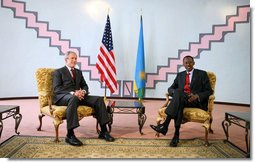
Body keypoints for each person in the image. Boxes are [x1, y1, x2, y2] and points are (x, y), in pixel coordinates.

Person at [53, 51, 114, 146]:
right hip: (63, 97)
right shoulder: (59, 72)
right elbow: (57, 89)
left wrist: (83, 92)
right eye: (72, 58)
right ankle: (70, 135)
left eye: (75, 58)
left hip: (78, 96)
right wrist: (74, 93)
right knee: (73, 98)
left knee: (99, 99)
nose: (74, 60)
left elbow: (85, 86)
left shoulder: (78, 72)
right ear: (66, 59)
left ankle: (104, 131)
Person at [150, 55, 213, 147]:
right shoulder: (180, 75)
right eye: (186, 63)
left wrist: (197, 96)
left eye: (190, 62)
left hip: (196, 102)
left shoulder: (202, 74)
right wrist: (175, 92)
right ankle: (176, 135)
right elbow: (170, 88)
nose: (188, 64)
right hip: (183, 100)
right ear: (183, 64)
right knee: (179, 97)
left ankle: (165, 126)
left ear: (194, 63)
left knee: (178, 96)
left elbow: (209, 91)